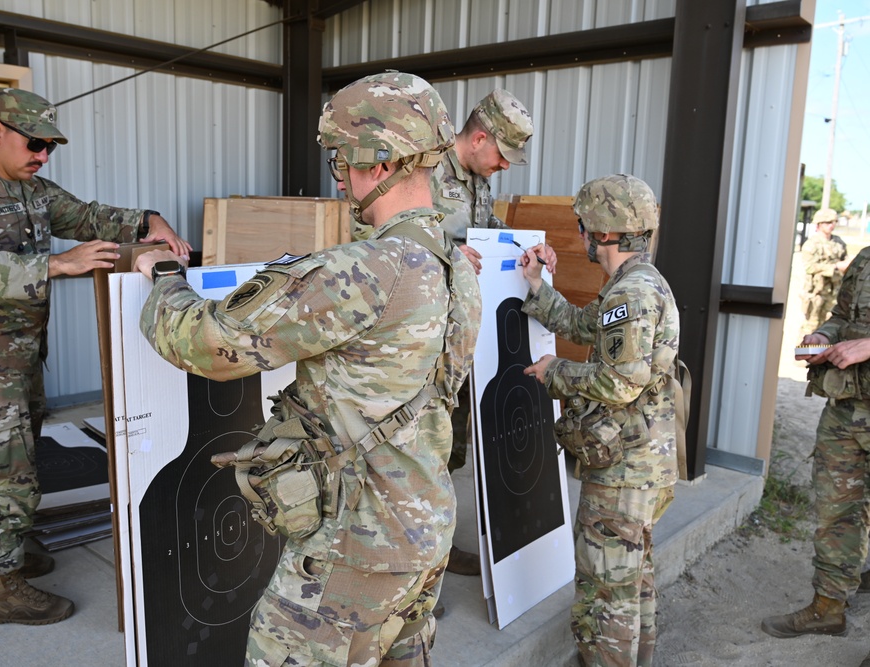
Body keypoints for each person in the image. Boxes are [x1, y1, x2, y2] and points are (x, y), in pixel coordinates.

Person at [134, 71, 481, 666]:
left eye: (340, 163)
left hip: (353, 553)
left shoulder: (366, 269)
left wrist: (162, 278)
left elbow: (207, 342)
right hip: (424, 530)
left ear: (375, 161)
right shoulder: (457, 269)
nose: (340, 180)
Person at [0, 87, 191, 625]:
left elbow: (86, 216)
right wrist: (58, 265)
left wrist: (148, 221)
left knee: (19, 459)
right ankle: (0, 591)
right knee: (0, 472)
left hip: (21, 354)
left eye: (50, 147)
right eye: (35, 143)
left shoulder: (32, 188)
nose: (43, 155)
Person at [518, 174, 680, 666]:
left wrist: (555, 372)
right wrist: (536, 287)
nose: (582, 235)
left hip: (624, 474)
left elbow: (619, 384)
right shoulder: (634, 285)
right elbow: (583, 324)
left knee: (606, 596)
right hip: (642, 466)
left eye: (585, 227)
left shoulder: (630, 297)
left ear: (606, 235)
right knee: (632, 585)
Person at [431, 88, 533, 579]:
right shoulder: (423, 170)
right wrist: (446, 256)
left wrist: (526, 250)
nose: (506, 166)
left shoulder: (477, 180)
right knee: (420, 454)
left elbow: (485, 230)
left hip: (463, 340)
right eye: (503, 155)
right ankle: (418, 576)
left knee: (451, 451)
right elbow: (380, 238)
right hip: (424, 341)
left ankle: (439, 555)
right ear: (478, 138)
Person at [761, 244, 870, 654]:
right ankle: (828, 607)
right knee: (836, 512)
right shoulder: (865, 258)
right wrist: (825, 335)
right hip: (847, 410)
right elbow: (843, 316)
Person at [799, 207, 849, 336]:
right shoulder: (812, 244)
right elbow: (809, 267)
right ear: (819, 224)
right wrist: (835, 266)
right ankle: (803, 355)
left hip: (834, 293)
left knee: (828, 329)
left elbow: (846, 261)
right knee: (811, 327)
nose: (831, 225)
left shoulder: (839, 242)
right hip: (816, 293)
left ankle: (820, 355)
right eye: (827, 222)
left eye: (833, 222)